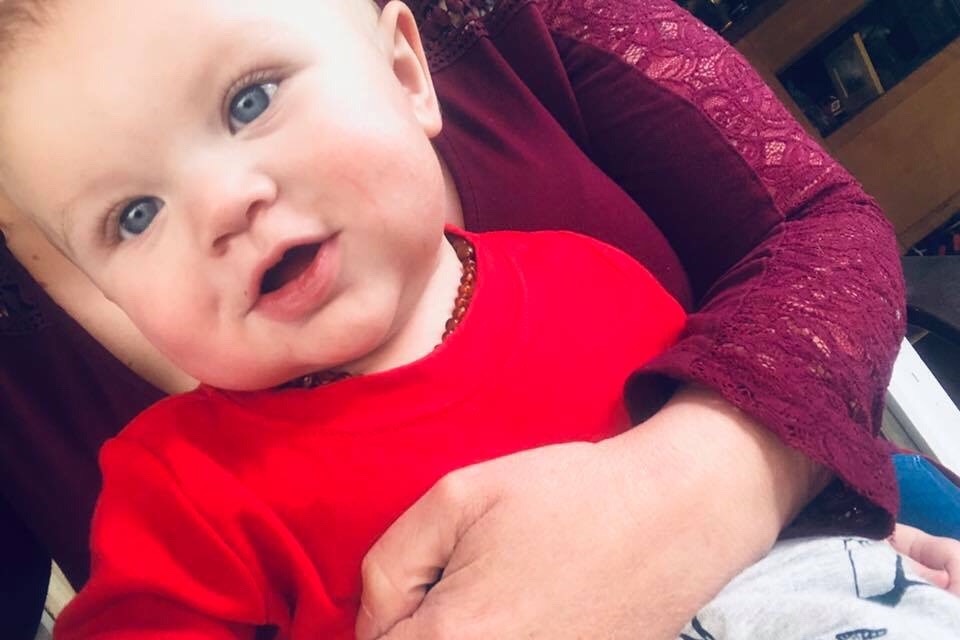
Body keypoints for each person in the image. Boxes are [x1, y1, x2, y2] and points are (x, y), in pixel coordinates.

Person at [0, 2, 958, 638]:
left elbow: (814, 246)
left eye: (249, 101)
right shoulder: (179, 493)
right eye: (134, 215)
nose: (220, 204)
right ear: (96, 287)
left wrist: (841, 547)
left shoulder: (593, 278)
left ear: (406, 73)